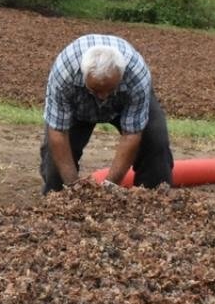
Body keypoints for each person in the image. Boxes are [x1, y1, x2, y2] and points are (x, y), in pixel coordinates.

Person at [40, 34, 174, 194]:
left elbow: (131, 134)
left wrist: (109, 187)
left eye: (110, 90)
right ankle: (59, 198)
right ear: (84, 76)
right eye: (96, 90)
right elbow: (58, 132)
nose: (103, 97)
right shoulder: (64, 73)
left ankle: (152, 199)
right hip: (79, 106)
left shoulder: (137, 75)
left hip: (124, 101)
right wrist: (72, 187)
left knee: (155, 142)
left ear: (121, 76)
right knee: (55, 160)